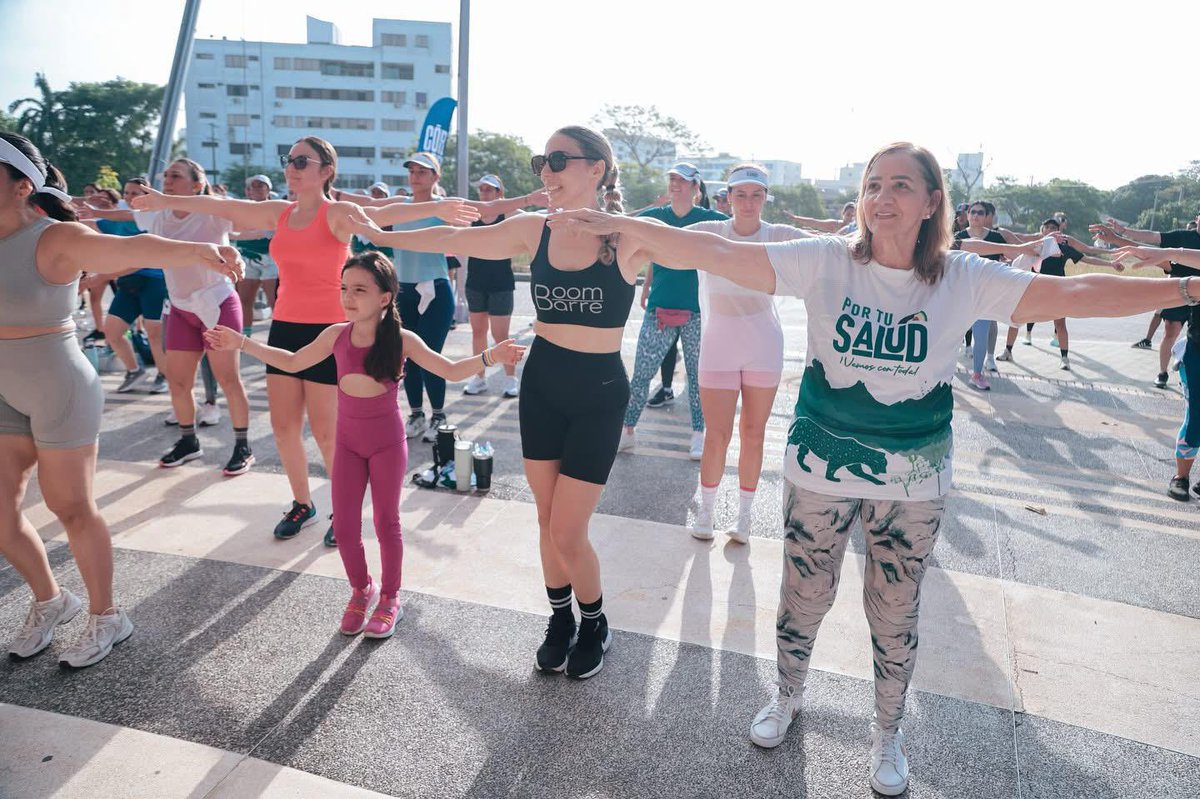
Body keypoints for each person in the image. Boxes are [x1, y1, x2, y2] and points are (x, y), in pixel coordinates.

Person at [547, 141, 1199, 796]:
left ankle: (888, 729)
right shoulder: (827, 261)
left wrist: (1184, 286)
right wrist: (624, 225)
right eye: (872, 184)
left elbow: (1077, 290)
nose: (882, 198)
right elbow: (718, 254)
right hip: (818, 470)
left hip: (912, 481)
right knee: (803, 594)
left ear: (932, 202)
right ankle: (787, 694)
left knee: (894, 608)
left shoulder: (963, 277)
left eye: (901, 186)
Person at [346, 126, 637, 679]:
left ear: (596, 168)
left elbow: (711, 246)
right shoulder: (533, 228)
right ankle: (560, 620)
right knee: (547, 518)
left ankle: (595, 621)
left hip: (599, 391)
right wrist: (378, 232)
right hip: (543, 384)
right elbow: (445, 241)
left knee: (568, 530)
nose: (546, 173)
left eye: (558, 160)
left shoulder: (628, 236)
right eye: (540, 163)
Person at [131, 137, 476, 544]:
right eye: (287, 159)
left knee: (328, 433)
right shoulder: (281, 212)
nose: (290, 167)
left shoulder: (339, 213)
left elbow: (385, 211)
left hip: (329, 333)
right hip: (285, 327)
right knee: (283, 427)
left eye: (301, 161)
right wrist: (161, 202)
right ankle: (302, 504)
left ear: (326, 171)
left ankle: (343, 510)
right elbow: (225, 207)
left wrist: (435, 207)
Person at [0, 132, 243, 667]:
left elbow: (133, 248)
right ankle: (50, 602)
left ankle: (108, 615)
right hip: (3, 386)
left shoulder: (55, 238)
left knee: (69, 507)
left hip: (57, 381)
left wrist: (200, 249)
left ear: (22, 186)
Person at [206, 251, 523, 637]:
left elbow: (451, 370)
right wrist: (241, 342)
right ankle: (362, 590)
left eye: (359, 290)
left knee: (387, 523)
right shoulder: (336, 334)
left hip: (387, 443)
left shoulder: (402, 339)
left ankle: (390, 598)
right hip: (349, 445)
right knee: (346, 525)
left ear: (386, 297)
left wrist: (494, 355)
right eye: (344, 289)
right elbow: (291, 361)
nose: (348, 297)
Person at [336, 154, 545, 441]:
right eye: (412, 171)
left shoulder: (445, 207)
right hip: (403, 292)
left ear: (436, 177)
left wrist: (528, 199)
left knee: (429, 357)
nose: (416, 176)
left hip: (435, 290)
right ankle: (417, 414)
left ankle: (438, 415)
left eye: (424, 171)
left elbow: (489, 207)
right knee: (403, 356)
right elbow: (366, 206)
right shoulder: (399, 206)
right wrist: (330, 190)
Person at [88, 159, 255, 475]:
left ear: (196, 185)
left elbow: (248, 219)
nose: (167, 180)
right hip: (180, 308)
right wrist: (93, 213)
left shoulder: (213, 212)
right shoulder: (158, 215)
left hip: (217, 304)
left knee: (228, 379)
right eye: (165, 175)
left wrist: (236, 254)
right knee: (178, 382)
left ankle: (242, 446)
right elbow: (126, 215)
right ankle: (189, 442)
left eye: (175, 176)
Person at [685, 164, 809, 543]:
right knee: (716, 435)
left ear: (766, 198)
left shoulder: (778, 235)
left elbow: (828, 250)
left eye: (757, 194)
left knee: (753, 433)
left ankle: (744, 517)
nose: (749, 202)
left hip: (763, 346)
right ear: (728, 197)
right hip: (718, 346)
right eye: (741, 194)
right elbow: (659, 237)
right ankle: (705, 512)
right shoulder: (710, 233)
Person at [620, 162, 726, 459]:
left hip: (698, 313)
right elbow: (620, 223)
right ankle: (627, 431)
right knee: (641, 373)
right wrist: (651, 206)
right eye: (672, 179)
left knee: (697, 376)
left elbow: (740, 235)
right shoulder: (656, 217)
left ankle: (698, 435)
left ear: (696, 187)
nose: (675, 184)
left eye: (682, 180)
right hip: (659, 310)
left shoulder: (710, 219)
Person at [1107, 243, 1200, 501]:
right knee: (1196, 418)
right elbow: (1174, 259)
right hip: (1197, 351)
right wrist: (1169, 254)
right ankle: (1180, 477)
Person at [992, 217, 1122, 369]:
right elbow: (1016, 250)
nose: (1049, 230)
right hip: (1034, 287)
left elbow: (1087, 259)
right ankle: (1008, 351)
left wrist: (1111, 264)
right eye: (1047, 227)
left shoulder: (1063, 248)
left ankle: (1065, 359)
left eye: (1053, 228)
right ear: (1042, 230)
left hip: (1058, 290)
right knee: (1016, 318)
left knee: (1060, 324)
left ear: (1058, 232)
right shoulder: (1035, 247)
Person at [1091, 213, 1200, 388]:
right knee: (1171, 332)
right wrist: (1120, 236)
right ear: (1197, 218)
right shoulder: (1182, 238)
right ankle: (1163, 372)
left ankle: (1184, 357)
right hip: (1178, 293)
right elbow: (1150, 242)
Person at [462, 174, 522, 398]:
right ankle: (479, 378)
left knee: (501, 336)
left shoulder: (509, 215)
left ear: (499, 193)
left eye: (490, 190)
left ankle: (510, 378)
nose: (485, 193)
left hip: (501, 283)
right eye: (482, 189)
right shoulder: (472, 215)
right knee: (478, 332)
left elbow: (533, 219)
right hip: (476, 281)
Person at [955, 201, 1008, 389]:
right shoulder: (958, 237)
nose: (976, 215)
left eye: (980, 212)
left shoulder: (996, 237)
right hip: (961, 294)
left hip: (985, 294)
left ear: (987, 216)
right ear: (968, 215)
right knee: (952, 335)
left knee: (981, 334)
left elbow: (1007, 258)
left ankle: (977, 374)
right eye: (972, 212)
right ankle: (943, 372)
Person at [230, 174, 278, 339]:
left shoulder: (275, 207)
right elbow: (235, 233)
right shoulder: (241, 209)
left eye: (261, 185)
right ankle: (246, 336)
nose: (256, 188)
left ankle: (278, 337)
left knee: (275, 302)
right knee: (244, 300)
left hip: (271, 259)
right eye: (253, 186)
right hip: (247, 258)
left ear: (268, 189)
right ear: (247, 191)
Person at [786, 201, 857, 235]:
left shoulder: (857, 229)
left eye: (853, 216)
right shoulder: (834, 224)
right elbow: (815, 222)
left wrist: (818, 233)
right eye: (848, 215)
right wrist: (795, 218)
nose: (850, 218)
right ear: (843, 213)